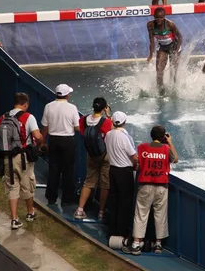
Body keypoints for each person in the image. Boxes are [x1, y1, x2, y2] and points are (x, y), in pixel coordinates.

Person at [124, 125, 178, 256]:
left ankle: (136, 244)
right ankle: (158, 244)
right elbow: (175, 159)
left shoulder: (142, 147)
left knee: (141, 214)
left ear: (151, 135)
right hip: (161, 186)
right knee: (160, 215)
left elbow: (137, 164)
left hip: (145, 185)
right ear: (163, 136)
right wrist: (170, 143)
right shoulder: (166, 149)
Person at [0, 93, 44, 230]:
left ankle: (14, 219)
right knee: (27, 185)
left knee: (12, 187)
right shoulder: (29, 117)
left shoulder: (5, 116)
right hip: (23, 158)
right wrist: (40, 141)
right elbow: (37, 135)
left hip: (7, 157)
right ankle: (30, 213)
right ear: (25, 104)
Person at [74, 97, 113, 221]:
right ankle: (101, 212)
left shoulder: (84, 120)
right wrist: (108, 115)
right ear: (103, 108)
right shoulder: (105, 122)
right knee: (105, 184)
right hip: (105, 155)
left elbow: (80, 131)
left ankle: (80, 210)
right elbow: (113, 132)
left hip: (91, 155)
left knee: (89, 182)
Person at [41, 83, 80, 206]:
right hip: (68, 141)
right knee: (68, 171)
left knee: (53, 169)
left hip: (53, 140)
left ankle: (51, 197)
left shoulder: (48, 106)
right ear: (67, 95)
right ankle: (67, 199)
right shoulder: (72, 108)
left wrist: (42, 142)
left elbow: (45, 127)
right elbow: (77, 127)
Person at [105, 111, 137, 242]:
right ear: (125, 122)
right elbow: (134, 156)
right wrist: (136, 165)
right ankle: (121, 232)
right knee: (124, 202)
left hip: (112, 170)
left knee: (114, 201)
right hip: (125, 172)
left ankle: (111, 229)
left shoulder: (108, 134)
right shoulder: (125, 137)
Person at [146, 7, 182, 94]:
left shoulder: (170, 25)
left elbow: (180, 37)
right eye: (157, 17)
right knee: (159, 71)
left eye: (161, 17)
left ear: (164, 17)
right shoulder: (150, 25)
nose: (159, 20)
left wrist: (176, 51)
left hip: (174, 47)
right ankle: (160, 91)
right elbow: (151, 41)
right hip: (163, 48)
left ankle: (174, 89)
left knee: (173, 72)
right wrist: (151, 54)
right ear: (154, 17)